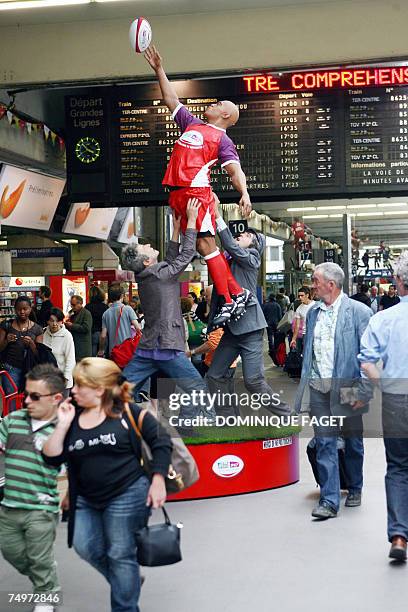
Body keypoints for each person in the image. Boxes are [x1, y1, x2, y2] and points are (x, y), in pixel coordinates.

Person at [42, 358, 172, 612]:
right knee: (84, 546)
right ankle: (128, 577)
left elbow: (161, 441)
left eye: (80, 385)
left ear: (100, 389)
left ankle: (125, 602)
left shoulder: (128, 412)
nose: (74, 390)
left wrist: (158, 480)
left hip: (128, 493)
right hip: (86, 498)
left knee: (120, 553)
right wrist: (63, 424)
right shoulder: (73, 415)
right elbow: (51, 458)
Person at [144, 45, 252, 327]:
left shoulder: (222, 140)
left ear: (226, 116)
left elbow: (234, 170)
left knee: (205, 245)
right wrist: (158, 69)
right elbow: (170, 98)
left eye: (219, 105)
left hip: (195, 194)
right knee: (203, 246)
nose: (214, 104)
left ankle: (232, 299)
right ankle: (237, 294)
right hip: (178, 194)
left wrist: (244, 192)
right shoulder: (191, 123)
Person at [122, 198, 216, 425]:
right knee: (195, 386)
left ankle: (113, 422)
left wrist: (175, 230)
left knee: (122, 389)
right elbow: (184, 257)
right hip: (167, 345)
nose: (147, 244)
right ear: (146, 261)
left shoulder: (149, 275)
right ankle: (188, 425)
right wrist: (191, 222)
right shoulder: (158, 274)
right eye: (144, 247)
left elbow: (171, 260)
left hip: (148, 347)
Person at [295, 263, 372, 519]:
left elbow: (367, 354)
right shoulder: (313, 312)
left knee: (352, 441)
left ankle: (355, 487)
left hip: (348, 387)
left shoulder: (359, 312)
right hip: (319, 387)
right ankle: (329, 500)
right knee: (325, 443)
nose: (312, 284)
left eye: (315, 280)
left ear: (331, 284)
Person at [207, 201, 291, 417]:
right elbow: (218, 296)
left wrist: (217, 216)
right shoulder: (228, 262)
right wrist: (211, 326)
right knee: (215, 375)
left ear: (254, 244)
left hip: (251, 329)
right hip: (231, 330)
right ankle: (228, 419)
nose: (239, 236)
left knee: (253, 381)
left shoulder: (251, 259)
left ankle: (286, 414)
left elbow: (230, 246)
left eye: (244, 235)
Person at [0, 364, 66, 609]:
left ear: (56, 398)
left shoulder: (63, 427)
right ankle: (46, 574)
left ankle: (47, 593)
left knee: (38, 558)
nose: (27, 400)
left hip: (42, 507)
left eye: (35, 396)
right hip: (9, 506)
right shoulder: (13, 420)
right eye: (26, 394)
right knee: (12, 553)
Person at [358, 251, 408, 561]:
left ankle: (400, 536)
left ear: (400, 283)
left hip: (397, 400)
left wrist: (384, 386)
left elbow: (367, 363)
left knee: (399, 467)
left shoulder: (384, 319)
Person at [0, 296, 43, 397]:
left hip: (30, 369)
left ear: (30, 309)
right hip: (10, 368)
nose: (22, 312)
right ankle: (10, 413)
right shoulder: (6, 325)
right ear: (15, 310)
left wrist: (32, 344)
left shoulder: (37, 329)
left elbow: (39, 354)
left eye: (25, 309)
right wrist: (7, 341)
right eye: (19, 309)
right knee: (11, 399)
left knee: (27, 401)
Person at [98, 286, 140, 358]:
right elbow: (137, 328)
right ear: (122, 296)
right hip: (127, 349)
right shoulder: (128, 309)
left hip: (113, 351)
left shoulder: (106, 313)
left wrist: (101, 350)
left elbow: (103, 335)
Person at [43, 307, 76, 396]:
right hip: (47, 380)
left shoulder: (67, 336)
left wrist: (65, 378)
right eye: (51, 321)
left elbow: (70, 359)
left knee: (61, 407)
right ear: (47, 321)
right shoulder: (43, 333)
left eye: (58, 321)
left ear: (62, 321)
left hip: (62, 380)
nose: (54, 324)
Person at [64, 295, 93, 362]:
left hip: (83, 347)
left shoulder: (86, 313)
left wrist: (72, 325)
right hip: (73, 346)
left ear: (80, 303)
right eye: (71, 305)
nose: (72, 307)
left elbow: (86, 328)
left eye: (73, 305)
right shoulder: (71, 312)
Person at [290, 286, 315, 354]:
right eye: (299, 296)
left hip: (315, 334)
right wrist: (294, 339)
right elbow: (297, 326)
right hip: (305, 335)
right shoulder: (299, 309)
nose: (300, 297)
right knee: (306, 355)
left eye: (302, 295)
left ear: (307, 295)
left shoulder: (315, 306)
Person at [85, 286, 108, 357]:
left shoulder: (87, 307)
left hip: (92, 334)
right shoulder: (105, 307)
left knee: (92, 358)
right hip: (103, 334)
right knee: (103, 358)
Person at [261, 294, 282, 363]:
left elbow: (263, 314)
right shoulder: (277, 305)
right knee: (276, 335)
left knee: (270, 335)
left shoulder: (266, 305)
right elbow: (280, 315)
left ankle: (271, 348)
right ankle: (276, 346)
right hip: (276, 323)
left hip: (268, 323)